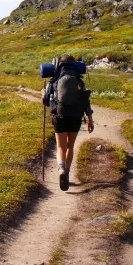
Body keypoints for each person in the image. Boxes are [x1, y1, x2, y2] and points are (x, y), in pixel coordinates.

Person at [42, 55, 94, 191]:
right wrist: (90, 119)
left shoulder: (54, 81)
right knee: (70, 146)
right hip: (76, 116)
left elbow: (46, 101)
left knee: (60, 147)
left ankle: (61, 170)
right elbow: (86, 101)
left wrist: (43, 93)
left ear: (59, 65)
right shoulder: (79, 81)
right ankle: (68, 172)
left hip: (60, 116)